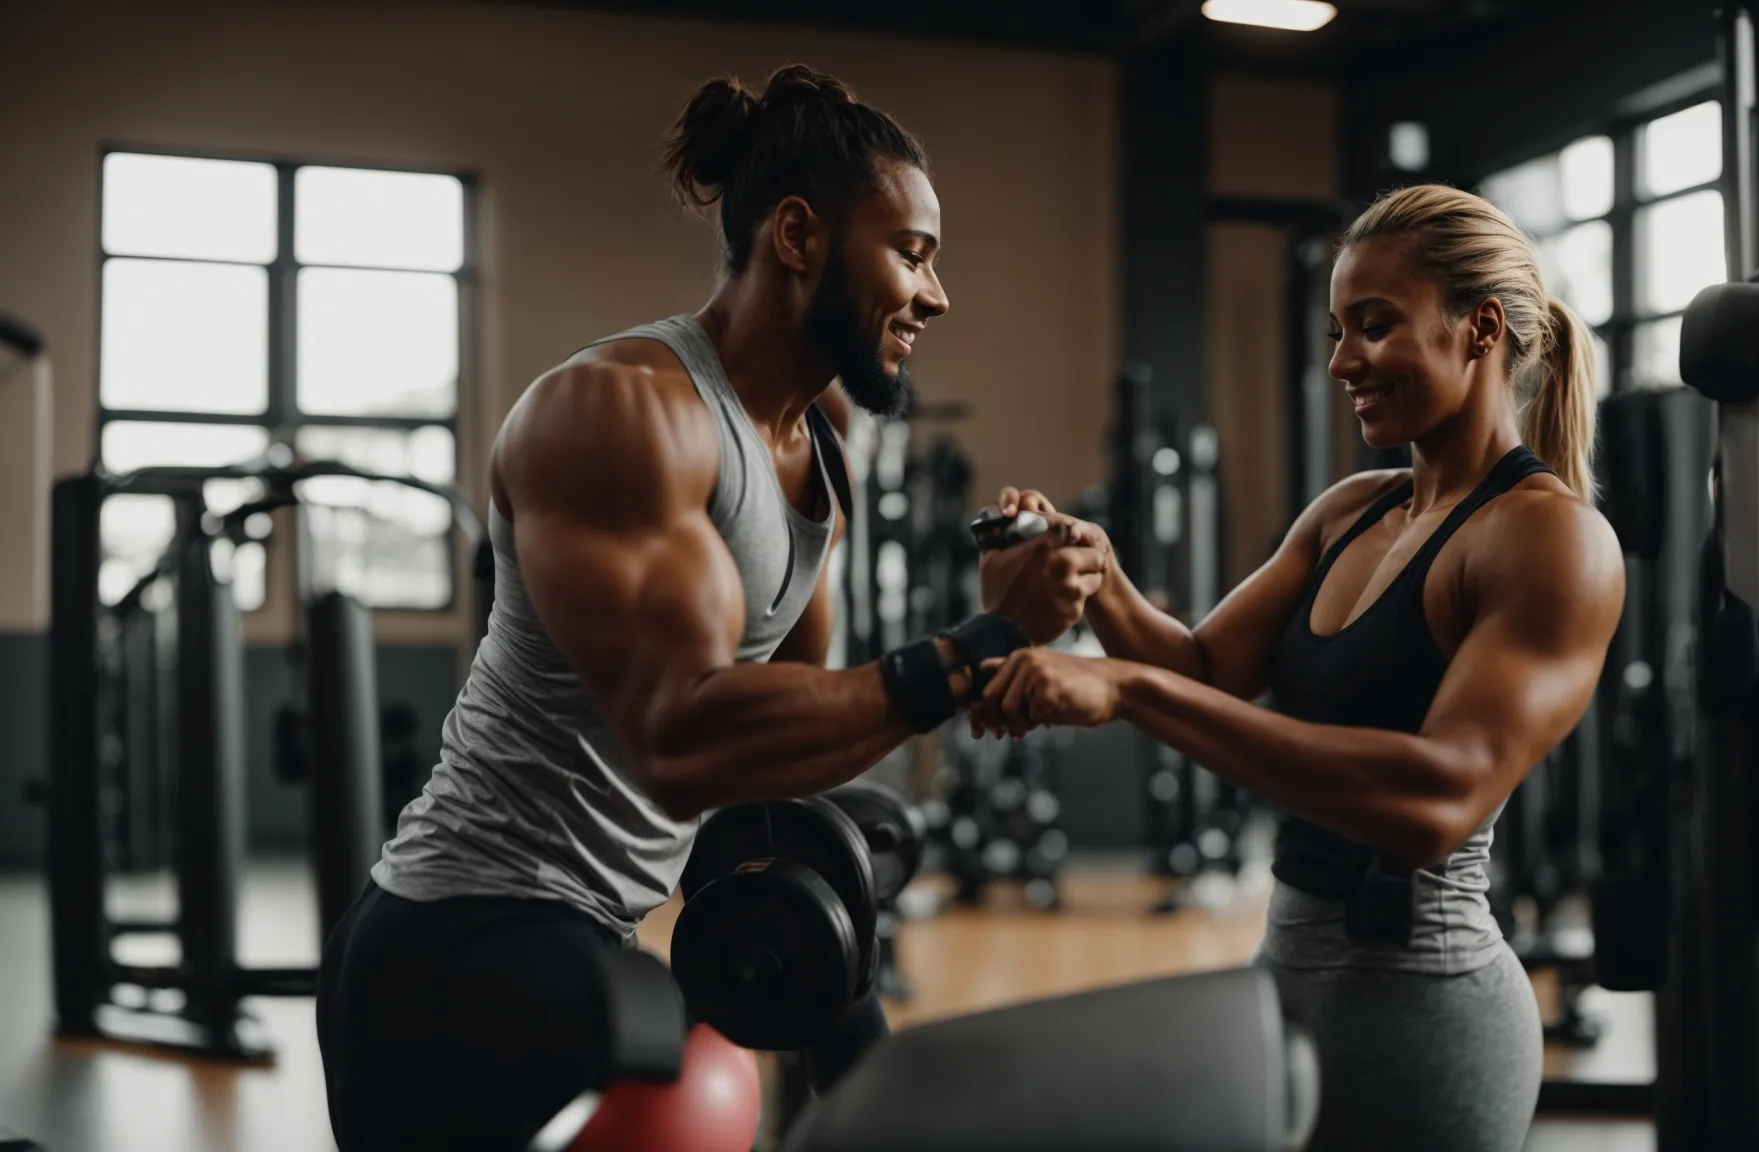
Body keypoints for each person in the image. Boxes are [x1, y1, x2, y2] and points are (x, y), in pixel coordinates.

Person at [314, 65, 1106, 1152]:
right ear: (797, 236)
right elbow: (681, 740)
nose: (937, 295)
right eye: (911, 254)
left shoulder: (815, 446)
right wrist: (980, 644)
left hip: (589, 930)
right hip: (456, 947)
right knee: (699, 1089)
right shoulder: (620, 414)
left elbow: (783, 744)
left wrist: (850, 1020)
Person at [973, 184, 1626, 1152]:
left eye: (1373, 325)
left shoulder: (1551, 540)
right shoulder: (1349, 511)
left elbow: (1435, 798)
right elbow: (1203, 670)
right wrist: (1096, 574)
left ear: (1478, 327)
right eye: (1336, 330)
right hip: (1283, 980)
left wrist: (1123, 689)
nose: (1339, 361)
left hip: (1423, 1011)